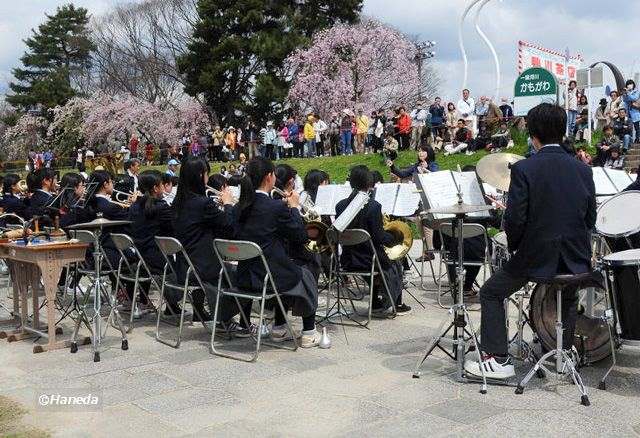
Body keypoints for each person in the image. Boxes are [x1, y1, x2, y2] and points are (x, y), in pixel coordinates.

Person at [464, 103, 596, 380]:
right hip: (576, 258)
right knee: (568, 295)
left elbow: (515, 220)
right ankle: (564, 354)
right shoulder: (584, 170)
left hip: (537, 256)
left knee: (491, 292)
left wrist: (517, 249)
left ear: (532, 136)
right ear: (563, 131)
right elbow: (589, 218)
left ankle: (499, 359)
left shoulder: (524, 169)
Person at [234, 156, 321, 347]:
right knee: (306, 270)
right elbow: (300, 236)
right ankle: (309, 332)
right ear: (269, 177)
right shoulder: (275, 207)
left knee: (288, 266)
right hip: (268, 277)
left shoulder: (239, 207)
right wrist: (295, 208)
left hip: (245, 276)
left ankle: (279, 328)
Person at [172, 157, 253, 332]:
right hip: (203, 266)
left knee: (232, 271)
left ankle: (222, 318)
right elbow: (230, 227)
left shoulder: (178, 202)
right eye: (207, 174)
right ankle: (239, 323)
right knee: (247, 274)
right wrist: (229, 204)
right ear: (201, 175)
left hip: (185, 266)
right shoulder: (203, 203)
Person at [335, 165, 410, 316]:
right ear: (370, 184)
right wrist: (396, 237)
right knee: (395, 259)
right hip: (369, 261)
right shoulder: (374, 206)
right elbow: (379, 237)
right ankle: (396, 303)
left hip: (348, 259)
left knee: (375, 255)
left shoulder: (340, 205)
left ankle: (375, 301)